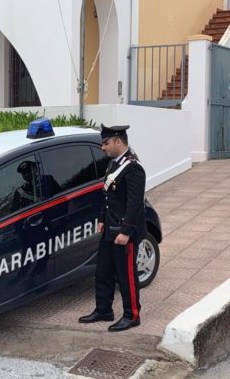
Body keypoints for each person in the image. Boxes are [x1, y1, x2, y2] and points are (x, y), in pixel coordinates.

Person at [78, 124, 147, 332]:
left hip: (124, 232)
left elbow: (135, 204)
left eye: (106, 143)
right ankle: (104, 309)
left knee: (126, 276)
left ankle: (132, 315)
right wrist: (101, 218)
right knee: (103, 272)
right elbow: (108, 196)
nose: (103, 147)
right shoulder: (113, 164)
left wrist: (126, 231)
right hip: (110, 228)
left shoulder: (132, 167)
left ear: (118, 141)